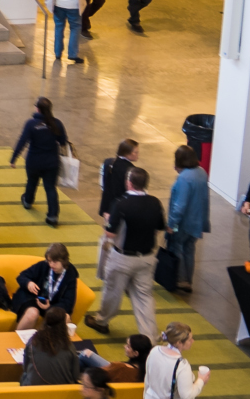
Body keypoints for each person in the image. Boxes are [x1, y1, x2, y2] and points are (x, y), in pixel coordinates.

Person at [85, 167, 164, 338]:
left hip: (122, 258)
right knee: (144, 297)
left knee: (113, 291)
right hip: (147, 258)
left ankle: (102, 321)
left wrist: (108, 220)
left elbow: (110, 233)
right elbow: (160, 227)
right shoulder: (155, 202)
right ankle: (149, 337)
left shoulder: (121, 204)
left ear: (129, 182)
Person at [10, 97, 68, 226]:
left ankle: (28, 201)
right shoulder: (57, 124)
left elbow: (22, 141)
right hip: (52, 163)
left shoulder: (31, 124)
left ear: (38, 109)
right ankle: (52, 216)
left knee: (31, 182)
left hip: (34, 161)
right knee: (50, 188)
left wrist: (14, 158)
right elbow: (63, 141)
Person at [167, 144, 209, 293]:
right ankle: (188, 280)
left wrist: (171, 224)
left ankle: (180, 279)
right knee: (190, 249)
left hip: (183, 223)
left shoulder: (184, 178)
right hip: (197, 222)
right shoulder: (201, 172)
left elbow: (180, 206)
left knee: (177, 248)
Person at [11, 242, 78, 331]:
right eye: (49, 261)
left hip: (53, 304)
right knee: (32, 314)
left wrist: (50, 307)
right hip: (33, 299)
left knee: (66, 318)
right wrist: (28, 283)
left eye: (55, 262)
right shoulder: (43, 265)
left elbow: (68, 303)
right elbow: (22, 276)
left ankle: (49, 343)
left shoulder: (70, 276)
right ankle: (17, 341)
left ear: (64, 260)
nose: (51, 265)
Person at [19, 307, 79, 387]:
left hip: (33, 391)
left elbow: (25, 366)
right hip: (63, 393)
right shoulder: (69, 346)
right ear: (64, 325)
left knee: (24, 376)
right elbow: (75, 375)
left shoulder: (33, 341)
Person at [80, 336, 152, 384]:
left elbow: (94, 374)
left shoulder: (119, 368)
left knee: (85, 353)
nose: (124, 347)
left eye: (128, 346)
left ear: (136, 353)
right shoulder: (149, 372)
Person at [100, 140, 139, 221]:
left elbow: (103, 185)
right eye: (136, 152)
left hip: (108, 207)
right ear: (129, 153)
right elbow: (133, 192)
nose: (138, 154)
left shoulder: (107, 162)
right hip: (122, 209)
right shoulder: (131, 170)